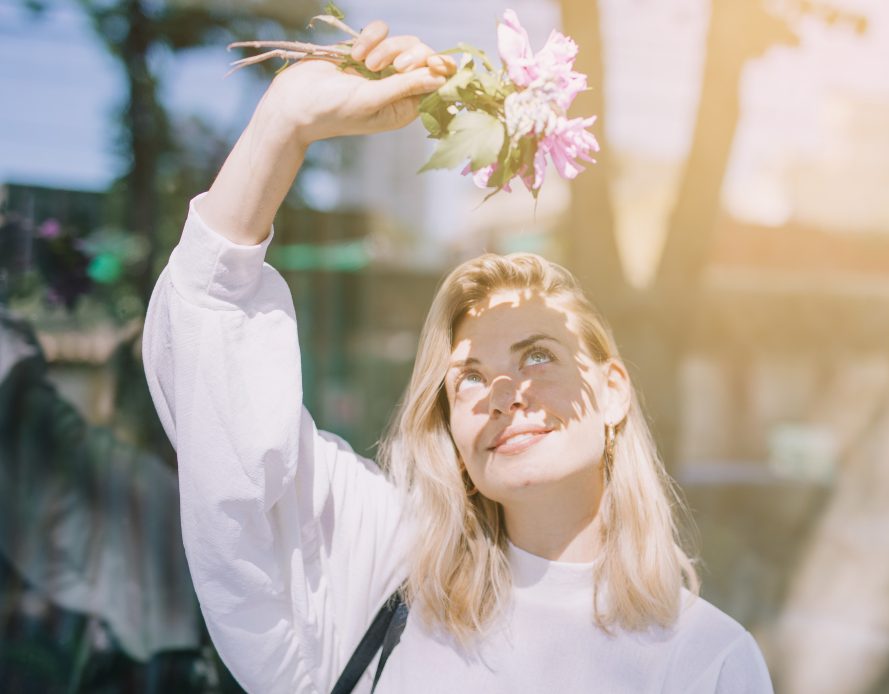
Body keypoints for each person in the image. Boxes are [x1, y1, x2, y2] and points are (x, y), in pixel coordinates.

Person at [141, 20, 774, 694]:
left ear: (614, 389)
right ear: (450, 427)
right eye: (469, 376)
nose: (503, 391)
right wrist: (284, 123)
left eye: (538, 356)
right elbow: (213, 379)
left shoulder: (708, 660)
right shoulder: (385, 570)